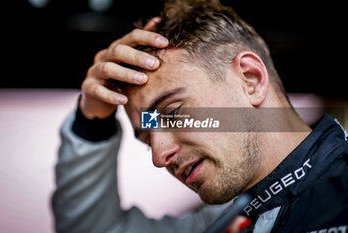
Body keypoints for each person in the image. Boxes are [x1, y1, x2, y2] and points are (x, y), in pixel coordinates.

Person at [52, 0, 348, 232]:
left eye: (172, 113)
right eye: (147, 137)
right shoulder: (222, 222)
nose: (159, 156)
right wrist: (91, 119)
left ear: (251, 79)